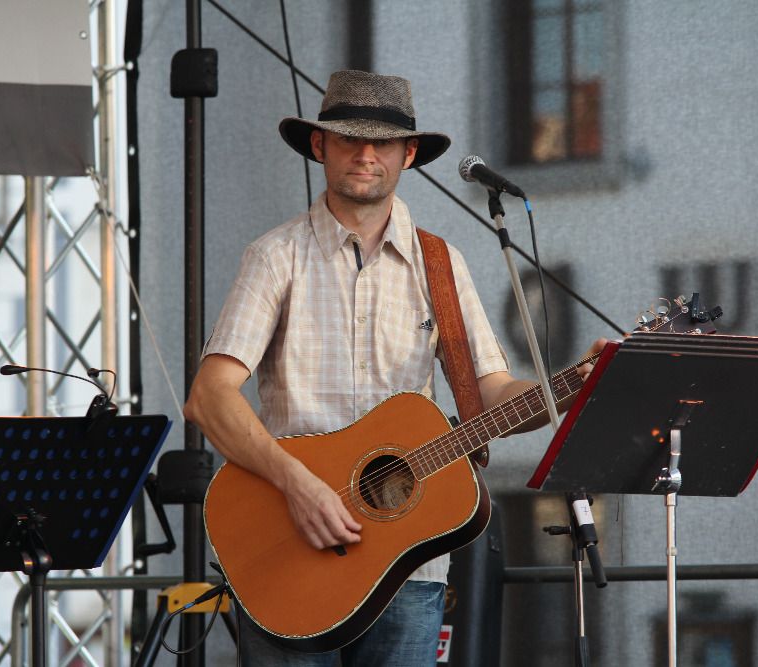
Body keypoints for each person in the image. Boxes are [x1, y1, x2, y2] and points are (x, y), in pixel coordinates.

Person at [184, 69, 603, 666]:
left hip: (409, 565)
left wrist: (572, 386)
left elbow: (491, 395)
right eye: (349, 139)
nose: (365, 155)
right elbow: (210, 397)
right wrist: (299, 486)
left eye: (382, 143)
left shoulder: (441, 263)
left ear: (408, 155)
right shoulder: (274, 258)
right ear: (319, 145)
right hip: (289, 545)